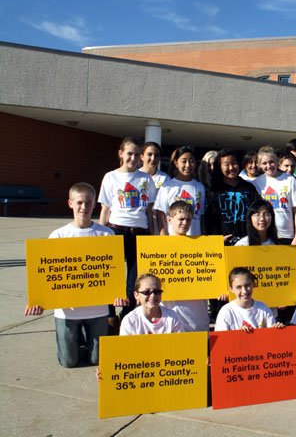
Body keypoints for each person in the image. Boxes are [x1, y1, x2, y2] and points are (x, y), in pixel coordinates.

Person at [24, 183, 115, 367]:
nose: (84, 207)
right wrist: (37, 299)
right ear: (70, 203)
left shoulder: (107, 235)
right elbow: (46, 273)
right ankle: (75, 342)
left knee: (97, 360)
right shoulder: (58, 236)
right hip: (67, 311)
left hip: (97, 309)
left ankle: (87, 342)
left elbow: (113, 272)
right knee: (68, 362)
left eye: (88, 202)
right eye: (79, 202)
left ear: (94, 205)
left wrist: (116, 295)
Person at [98, 137, 157, 316]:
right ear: (121, 154)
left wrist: (153, 236)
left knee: (134, 281)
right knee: (111, 277)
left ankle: (127, 314)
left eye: (137, 154)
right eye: (129, 153)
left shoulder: (146, 179)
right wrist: (100, 234)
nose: (133, 158)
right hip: (116, 230)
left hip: (140, 232)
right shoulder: (110, 177)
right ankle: (109, 317)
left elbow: (149, 211)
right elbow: (105, 209)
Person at [159, 201, 210, 332]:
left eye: (188, 219)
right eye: (181, 219)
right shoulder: (158, 248)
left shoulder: (201, 246)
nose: (185, 223)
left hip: (197, 318)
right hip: (171, 317)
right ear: (169, 219)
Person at [204, 149, 259, 246]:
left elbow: (256, 212)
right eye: (226, 164)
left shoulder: (249, 187)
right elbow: (210, 218)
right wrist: (218, 238)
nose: (231, 167)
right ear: (220, 167)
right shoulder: (214, 190)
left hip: (248, 241)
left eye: (234, 163)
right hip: (223, 243)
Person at [252, 146, 296, 246]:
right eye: (264, 163)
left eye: (271, 162)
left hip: (287, 236)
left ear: (277, 162)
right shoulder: (256, 183)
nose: (269, 166)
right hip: (265, 236)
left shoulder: (290, 180)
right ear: (259, 165)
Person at [154, 146, 206, 236]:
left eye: (191, 161)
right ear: (176, 163)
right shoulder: (167, 186)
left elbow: (201, 215)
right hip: (173, 239)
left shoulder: (200, 187)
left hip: (195, 239)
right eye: (184, 161)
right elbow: (161, 214)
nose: (188, 165)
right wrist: (164, 237)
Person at [214, 267, 284, 332]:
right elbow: (221, 341)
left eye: (247, 285)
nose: (244, 291)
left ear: (253, 284)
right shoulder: (226, 311)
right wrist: (238, 336)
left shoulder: (263, 308)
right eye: (239, 287)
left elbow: (272, 338)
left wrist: (277, 330)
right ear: (231, 289)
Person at [120, 274, 184, 335]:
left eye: (157, 292)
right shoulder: (130, 320)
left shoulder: (173, 318)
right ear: (136, 295)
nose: (153, 296)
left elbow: (180, 344)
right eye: (146, 292)